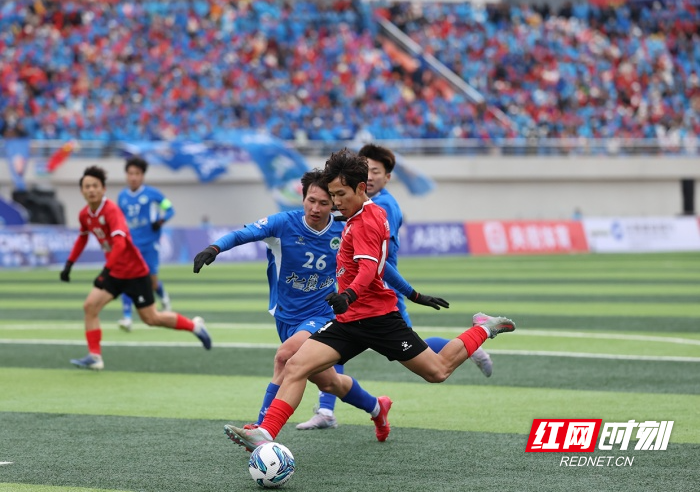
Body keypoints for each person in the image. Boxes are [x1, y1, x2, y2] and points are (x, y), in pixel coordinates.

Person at [224, 149, 516, 452]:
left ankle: (483, 328)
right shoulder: (356, 216)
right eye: (332, 196)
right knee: (295, 363)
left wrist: (348, 294)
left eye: (340, 195)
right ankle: (266, 433)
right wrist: (411, 295)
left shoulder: (367, 221)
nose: (335, 202)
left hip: (378, 319)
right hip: (349, 320)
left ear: (360, 188)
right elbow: (375, 265)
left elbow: (367, 269)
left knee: (438, 370)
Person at [193, 169, 448, 442]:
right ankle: (377, 407)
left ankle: (260, 429)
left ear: (334, 203)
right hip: (286, 317)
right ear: (303, 198)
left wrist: (412, 294)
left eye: (324, 203)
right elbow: (241, 234)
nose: (316, 208)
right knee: (330, 382)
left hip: (323, 313)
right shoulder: (283, 223)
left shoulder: (344, 228)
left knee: (285, 357)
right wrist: (214, 248)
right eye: (311, 200)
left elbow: (378, 266)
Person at [297, 144, 493, 431]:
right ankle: (328, 410)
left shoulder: (380, 208)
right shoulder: (357, 205)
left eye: (376, 172)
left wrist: (409, 294)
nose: (370, 177)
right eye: (367, 170)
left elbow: (376, 263)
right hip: (361, 297)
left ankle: (470, 343)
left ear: (386, 177)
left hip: (376, 295)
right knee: (329, 350)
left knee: (427, 362)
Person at [60, 166, 211, 370]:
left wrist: (105, 271)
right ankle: (95, 357)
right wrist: (69, 264)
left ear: (103, 189)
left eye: (95, 186)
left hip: (134, 272)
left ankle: (195, 326)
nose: (91, 190)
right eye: (87, 186)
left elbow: (120, 244)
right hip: (115, 272)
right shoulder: (85, 215)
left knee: (152, 318)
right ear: (81, 191)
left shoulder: (112, 210)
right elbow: (82, 237)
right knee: (90, 307)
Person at [116, 157, 174, 332]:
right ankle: (127, 317)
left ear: (142, 176)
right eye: (130, 173)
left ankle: (164, 299)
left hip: (149, 244)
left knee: (151, 281)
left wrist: (161, 220)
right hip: (131, 245)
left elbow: (170, 209)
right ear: (126, 175)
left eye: (137, 174)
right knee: (127, 279)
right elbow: (119, 219)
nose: (133, 177)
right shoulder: (122, 197)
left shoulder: (152, 194)